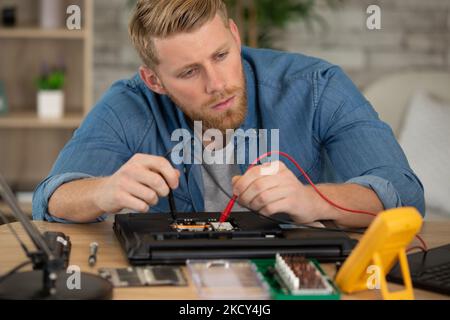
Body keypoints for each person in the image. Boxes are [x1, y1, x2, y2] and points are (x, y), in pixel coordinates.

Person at [32, 0, 424, 227]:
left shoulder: (317, 85)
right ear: (154, 80)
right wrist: (104, 191)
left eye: (221, 55)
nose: (217, 83)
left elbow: (405, 197)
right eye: (188, 72)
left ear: (235, 36)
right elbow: (51, 198)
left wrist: (313, 200)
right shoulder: (129, 103)